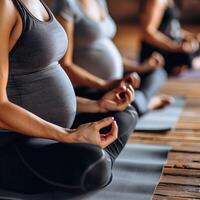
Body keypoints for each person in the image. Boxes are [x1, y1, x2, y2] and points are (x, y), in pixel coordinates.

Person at [0, 0, 137, 194]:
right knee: (95, 163)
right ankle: (94, 161)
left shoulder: (38, 2)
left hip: (55, 131)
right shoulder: (5, 6)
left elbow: (43, 86)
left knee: (125, 115)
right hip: (17, 141)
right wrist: (69, 136)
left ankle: (85, 160)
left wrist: (97, 105)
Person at [48, 0, 173, 116]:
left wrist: (139, 67)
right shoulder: (66, 4)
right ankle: (147, 103)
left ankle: (141, 101)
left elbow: (107, 49)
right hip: (89, 87)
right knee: (127, 110)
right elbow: (65, 64)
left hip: (115, 82)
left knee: (158, 73)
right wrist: (104, 85)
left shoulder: (99, 1)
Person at [140, 0, 200, 75]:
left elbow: (174, 30)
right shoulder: (157, 1)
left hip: (172, 43)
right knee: (187, 55)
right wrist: (174, 47)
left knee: (197, 45)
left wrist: (192, 36)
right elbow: (148, 32)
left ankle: (183, 65)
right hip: (157, 49)